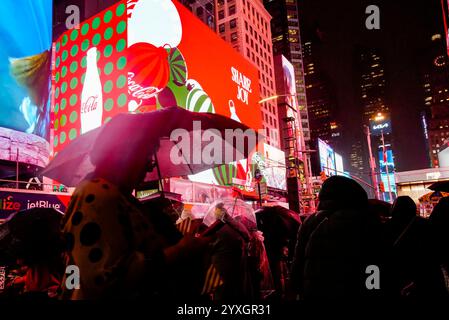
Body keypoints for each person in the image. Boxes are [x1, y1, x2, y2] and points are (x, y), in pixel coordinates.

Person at [60, 126, 209, 300]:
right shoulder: (98, 194)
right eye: (146, 158)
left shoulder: (121, 198)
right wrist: (179, 250)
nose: (148, 168)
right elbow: (104, 279)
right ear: (125, 156)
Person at [290, 176, 384, 299]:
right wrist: (374, 288)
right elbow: (374, 261)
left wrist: (298, 290)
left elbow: (298, 264)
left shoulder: (310, 222)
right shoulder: (366, 220)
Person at [383, 196, 430, 296]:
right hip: (423, 274)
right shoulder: (424, 224)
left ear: (394, 209)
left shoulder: (385, 227)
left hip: (397, 274)